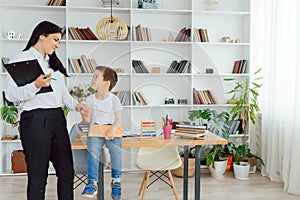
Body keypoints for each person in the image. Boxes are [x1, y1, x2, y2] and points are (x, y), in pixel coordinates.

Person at [5, 21, 79, 200]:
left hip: (57, 118)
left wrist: (77, 106)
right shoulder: (20, 59)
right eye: (55, 39)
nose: (57, 44)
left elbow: (63, 97)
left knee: (67, 172)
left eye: (59, 41)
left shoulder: (54, 65)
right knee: (38, 176)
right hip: (35, 120)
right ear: (41, 36)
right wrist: (35, 85)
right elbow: (11, 95)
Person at [78, 66, 123, 200]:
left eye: (96, 77)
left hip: (111, 129)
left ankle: (116, 181)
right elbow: (87, 121)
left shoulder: (114, 100)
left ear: (106, 83)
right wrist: (84, 116)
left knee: (115, 150)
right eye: (93, 76)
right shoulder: (91, 99)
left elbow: (118, 120)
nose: (92, 79)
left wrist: (112, 130)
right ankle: (92, 182)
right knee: (93, 148)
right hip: (96, 129)